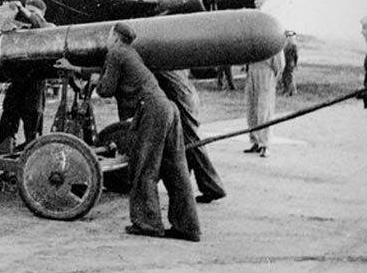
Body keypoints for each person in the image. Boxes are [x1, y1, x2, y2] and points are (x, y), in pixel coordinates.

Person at [55, 22, 200, 242]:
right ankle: (187, 227)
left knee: (143, 167)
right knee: (175, 170)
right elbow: (105, 73)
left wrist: (96, 82)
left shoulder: (114, 53)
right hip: (168, 108)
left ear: (114, 37)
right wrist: (75, 69)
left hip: (151, 111)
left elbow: (106, 89)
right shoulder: (129, 53)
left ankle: (148, 224)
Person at [154, 69, 227, 204]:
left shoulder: (156, 58)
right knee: (186, 143)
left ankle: (213, 187)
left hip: (181, 97)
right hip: (187, 95)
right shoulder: (168, 58)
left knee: (192, 142)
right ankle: (184, 188)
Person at [0, 0, 51, 151]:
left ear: (42, 14)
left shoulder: (50, 27)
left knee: (32, 119)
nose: (28, 14)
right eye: (28, 10)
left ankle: (33, 152)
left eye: (33, 12)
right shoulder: (22, 30)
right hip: (18, 79)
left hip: (36, 81)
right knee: (8, 116)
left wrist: (23, 11)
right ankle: (6, 152)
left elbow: (41, 26)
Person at [244, 50, 283, 157]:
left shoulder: (272, 38)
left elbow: (279, 64)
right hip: (252, 70)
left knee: (264, 109)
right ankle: (255, 141)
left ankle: (266, 144)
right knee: (252, 109)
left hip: (266, 71)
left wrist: (275, 76)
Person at [279, 31, 299, 96]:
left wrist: (295, 64)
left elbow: (295, 56)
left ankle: (289, 91)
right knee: (287, 76)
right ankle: (290, 90)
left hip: (289, 62)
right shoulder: (290, 44)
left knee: (289, 77)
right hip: (289, 62)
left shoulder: (290, 45)